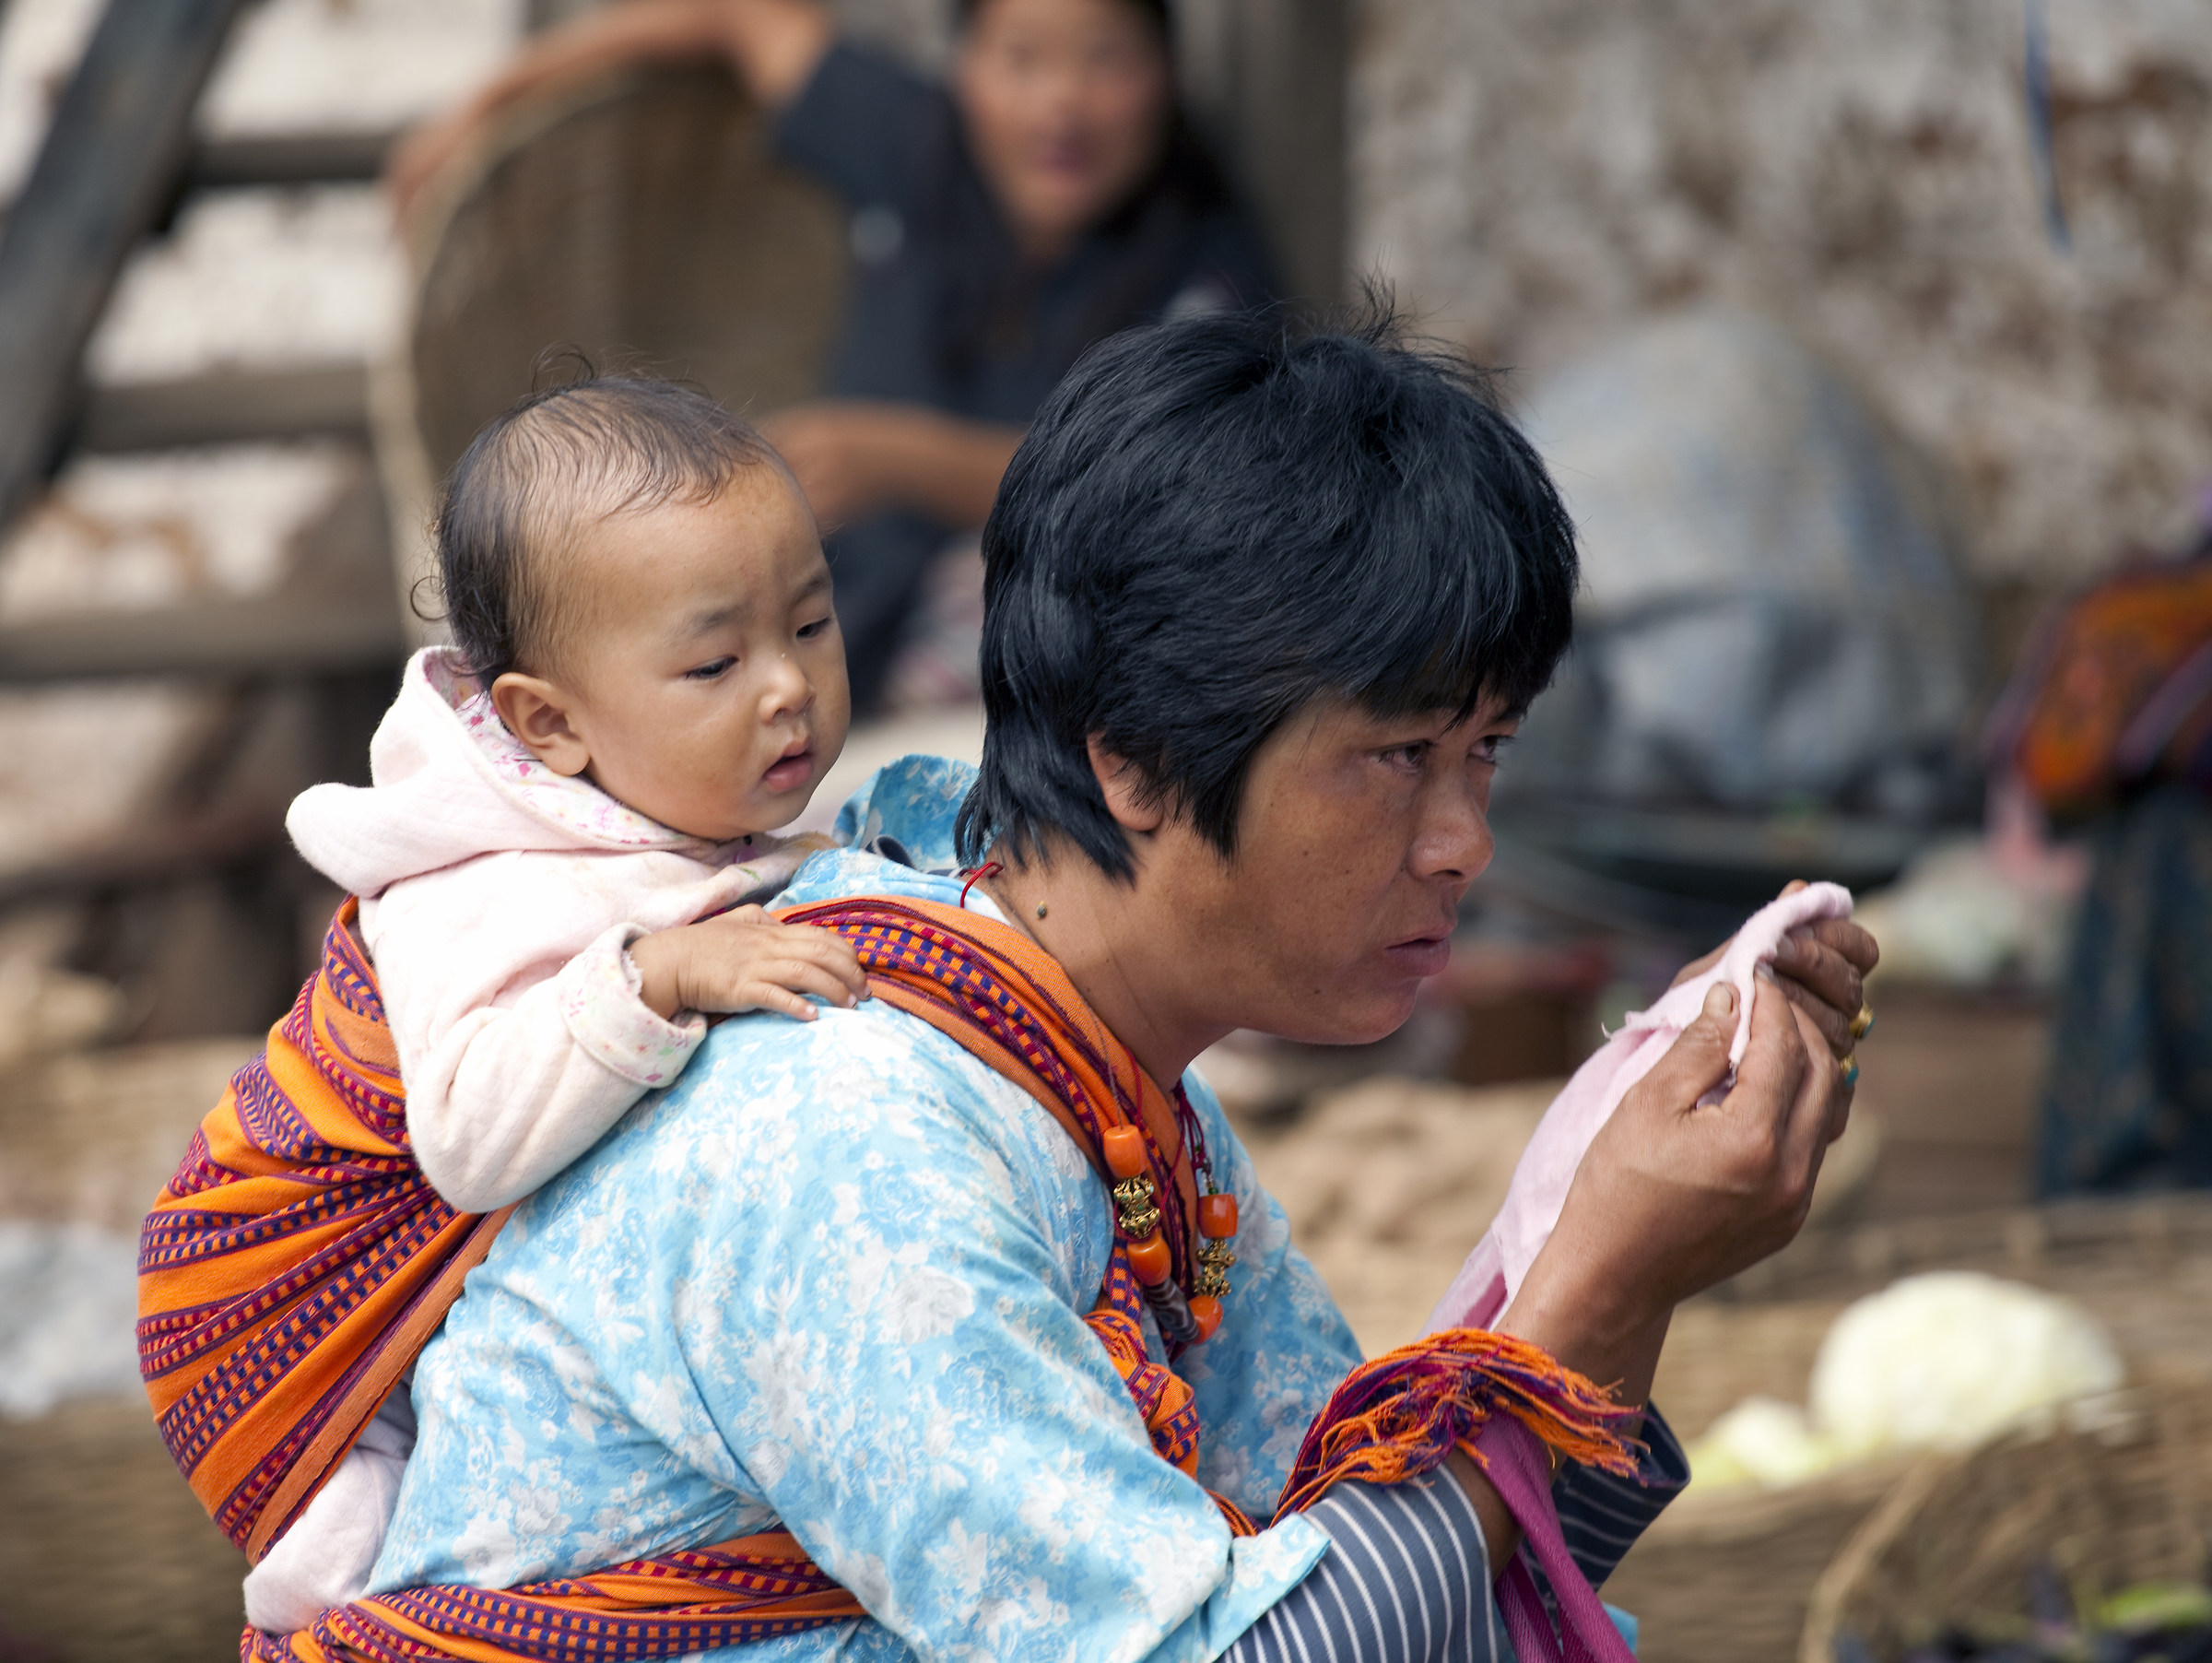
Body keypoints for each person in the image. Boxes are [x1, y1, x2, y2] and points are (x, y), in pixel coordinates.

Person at [265, 307, 1870, 1662]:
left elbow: (1371, 1568)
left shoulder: (1092, 1078)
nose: (1464, 839)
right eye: (1397, 755)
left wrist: (1624, 1248)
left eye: (1487, 750)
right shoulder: (854, 1134)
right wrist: (1596, 1288)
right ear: (1140, 763)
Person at [241, 375, 869, 1630]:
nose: (786, 687)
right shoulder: (488, 882)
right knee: (352, 1548)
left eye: (808, 625)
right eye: (714, 661)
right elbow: (468, 1140)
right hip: (287, 1296)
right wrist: (652, 974)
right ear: (550, 725)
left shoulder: (658, 807)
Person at [388, 0, 1274, 712]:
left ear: (1165, 76)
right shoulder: (911, 144)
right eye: (1023, 58)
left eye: (1107, 60)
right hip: (817, 613)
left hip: (996, 658)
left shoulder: (1204, 269)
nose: (1061, 104)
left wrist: (901, 461)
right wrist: (485, 102)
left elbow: (1176, 486)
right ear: (966, 68)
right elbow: (741, 16)